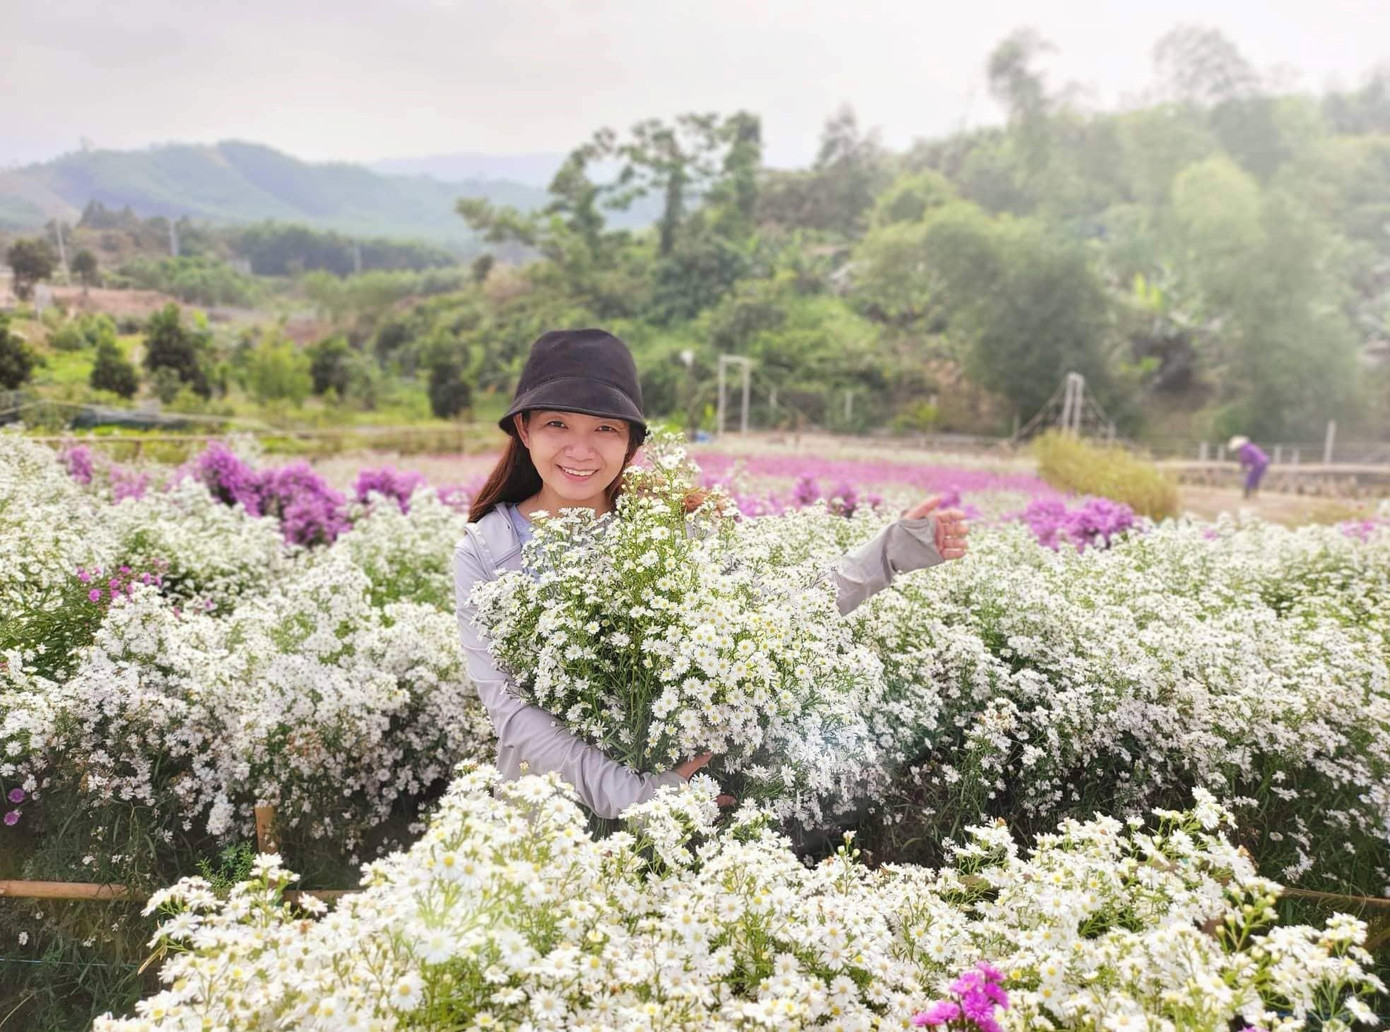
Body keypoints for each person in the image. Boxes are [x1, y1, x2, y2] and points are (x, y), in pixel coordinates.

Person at [452, 329, 970, 819]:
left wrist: (890, 552)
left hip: (683, 809)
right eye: (557, 424)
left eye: (605, 428)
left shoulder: (678, 526)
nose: (581, 450)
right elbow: (513, 713)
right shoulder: (487, 551)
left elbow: (776, 610)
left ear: (631, 443)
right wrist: (640, 799)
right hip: (551, 821)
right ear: (524, 429)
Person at [1229, 435, 1270, 499]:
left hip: (1258, 463)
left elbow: (1244, 460)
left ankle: (1246, 495)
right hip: (1264, 461)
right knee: (1256, 478)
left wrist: (1243, 467)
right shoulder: (1251, 446)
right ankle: (1254, 494)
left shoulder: (1244, 450)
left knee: (1250, 478)